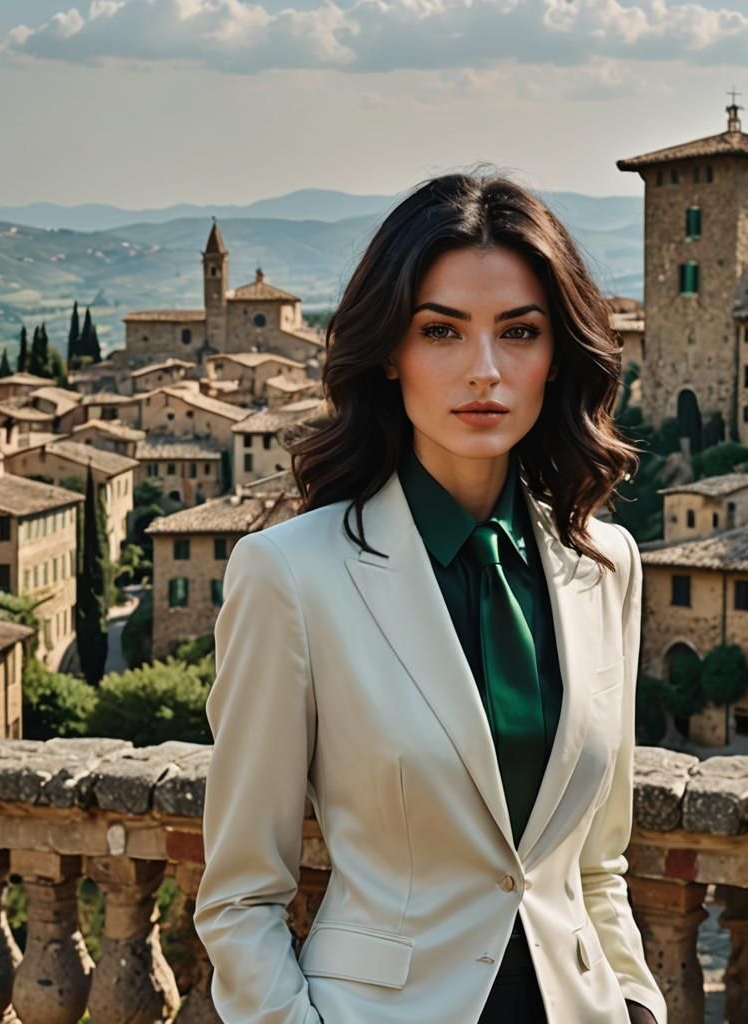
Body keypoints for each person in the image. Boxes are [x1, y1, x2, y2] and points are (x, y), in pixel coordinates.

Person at [193, 169, 667, 1024]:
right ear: (390, 353)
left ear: (557, 356)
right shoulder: (291, 576)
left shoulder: (607, 567)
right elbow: (239, 900)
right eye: (441, 331)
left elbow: (597, 865)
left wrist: (635, 999)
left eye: (519, 332)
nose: (484, 371)